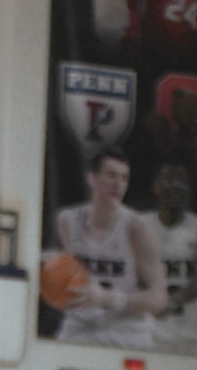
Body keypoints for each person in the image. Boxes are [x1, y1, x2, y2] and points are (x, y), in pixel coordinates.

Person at [54, 148, 168, 348]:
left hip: (126, 332)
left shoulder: (137, 227)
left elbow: (159, 299)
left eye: (124, 178)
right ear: (92, 178)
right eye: (111, 175)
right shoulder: (67, 221)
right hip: (80, 328)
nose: (118, 185)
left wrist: (108, 298)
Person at [141, 166, 197, 352]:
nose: (175, 186)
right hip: (147, 334)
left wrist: (174, 301)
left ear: (189, 191)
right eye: (168, 180)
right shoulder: (139, 225)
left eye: (181, 181)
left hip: (190, 337)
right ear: (156, 187)